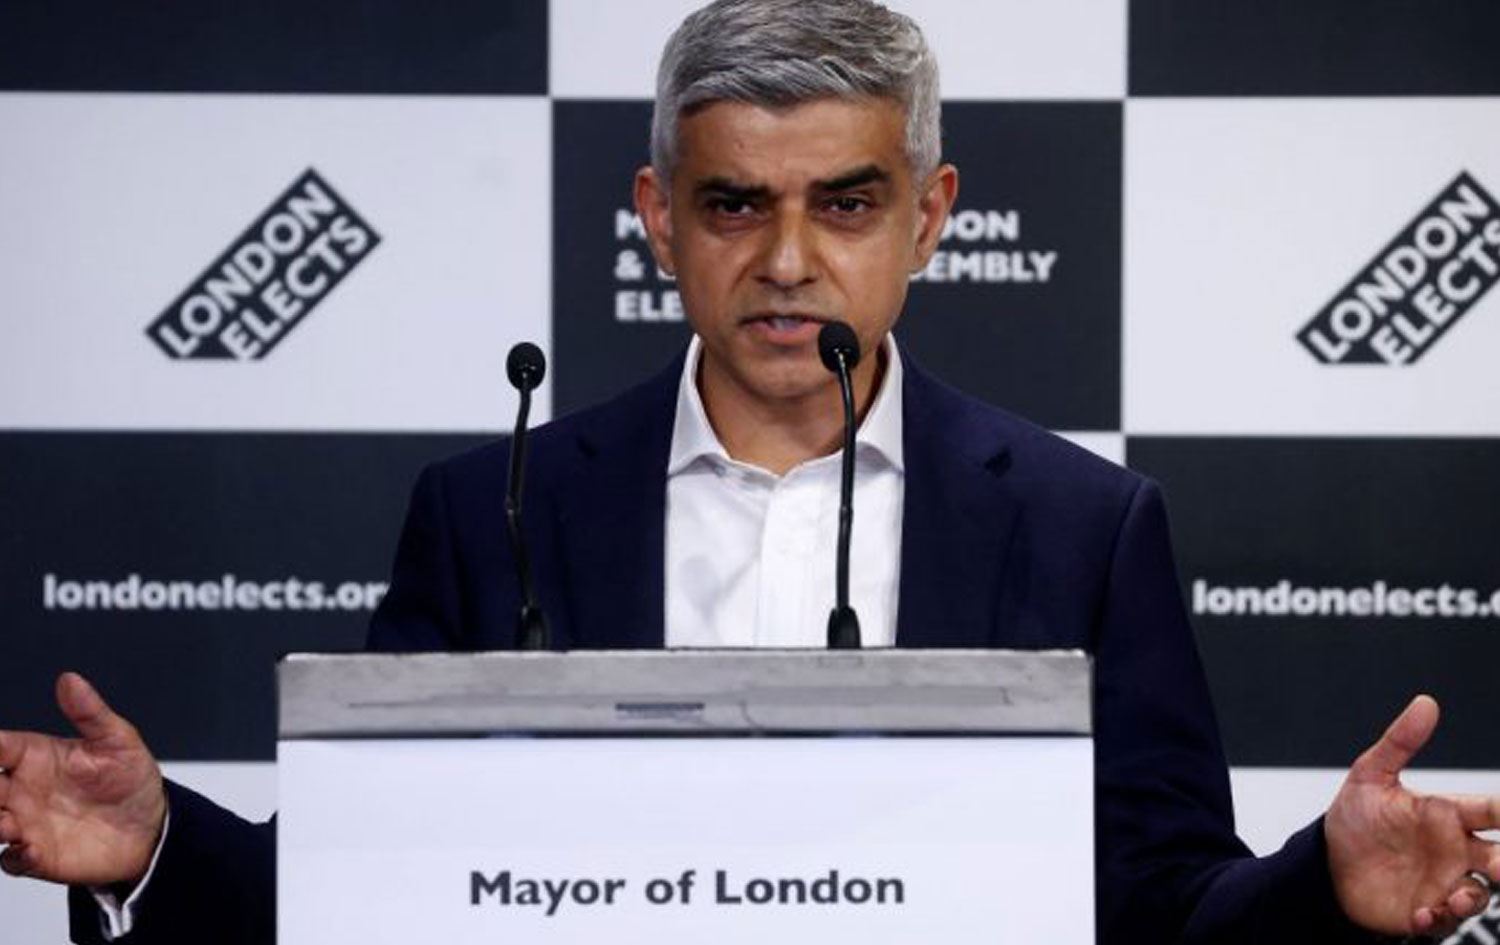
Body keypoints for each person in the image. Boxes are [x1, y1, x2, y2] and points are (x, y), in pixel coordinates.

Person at [2, 1, 1498, 942]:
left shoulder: (1081, 524)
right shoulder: (494, 510)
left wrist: (1325, 887)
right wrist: (152, 844)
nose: (787, 260)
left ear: (930, 217)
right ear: (658, 215)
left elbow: (1164, 907)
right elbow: (356, 884)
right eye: (733, 205)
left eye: (846, 203)